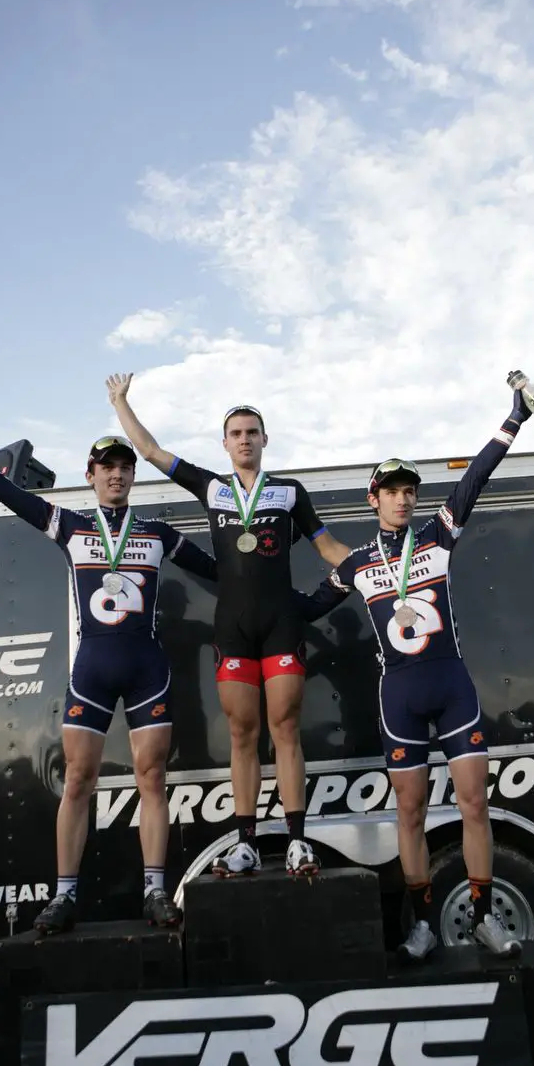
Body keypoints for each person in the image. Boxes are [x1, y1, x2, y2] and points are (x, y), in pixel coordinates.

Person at [0, 418, 218, 934]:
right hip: (93, 668)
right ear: (90, 475)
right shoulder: (70, 526)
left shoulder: (156, 534)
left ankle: (155, 891)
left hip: (147, 668)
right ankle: (64, 896)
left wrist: (260, 556)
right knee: (79, 781)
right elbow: (9, 493)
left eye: (125, 467)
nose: (117, 474)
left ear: (133, 477)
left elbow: (221, 572)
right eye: (107, 466)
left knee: (152, 779)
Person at [301, 387, 534, 958]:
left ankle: (482, 917)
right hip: (399, 695)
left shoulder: (437, 535)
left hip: (451, 684)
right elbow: (304, 610)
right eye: (393, 492)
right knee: (411, 812)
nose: (404, 501)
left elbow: (475, 478)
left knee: (475, 805)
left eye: (410, 491)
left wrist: (514, 419)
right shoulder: (356, 565)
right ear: (373, 499)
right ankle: (425, 923)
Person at [107, 372, 350, 878]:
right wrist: (120, 401)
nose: (244, 439)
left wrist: (379, 569)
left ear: (264, 440)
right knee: (243, 734)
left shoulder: (289, 492)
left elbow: (330, 551)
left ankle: (297, 842)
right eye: (236, 433)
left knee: (285, 729)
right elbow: (150, 451)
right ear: (224, 443)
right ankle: (245, 844)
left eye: (252, 432)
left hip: (282, 623)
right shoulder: (210, 487)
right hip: (232, 629)